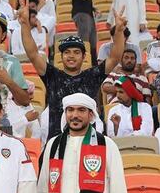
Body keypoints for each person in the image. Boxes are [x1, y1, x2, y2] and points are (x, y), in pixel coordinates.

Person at [18, 9, 127, 139]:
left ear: (84, 56)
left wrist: (119, 31)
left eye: (76, 52)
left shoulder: (92, 76)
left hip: (87, 143)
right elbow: (33, 54)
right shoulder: (52, 75)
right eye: (67, 52)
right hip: (57, 143)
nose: (71, 56)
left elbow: (114, 58)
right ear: (61, 56)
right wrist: (25, 24)